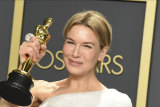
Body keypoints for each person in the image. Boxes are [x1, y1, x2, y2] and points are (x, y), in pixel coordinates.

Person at [0, 10, 132, 107]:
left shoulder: (116, 101)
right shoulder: (40, 90)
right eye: (71, 42)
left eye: (86, 46)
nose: (75, 53)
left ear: (102, 52)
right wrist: (24, 68)